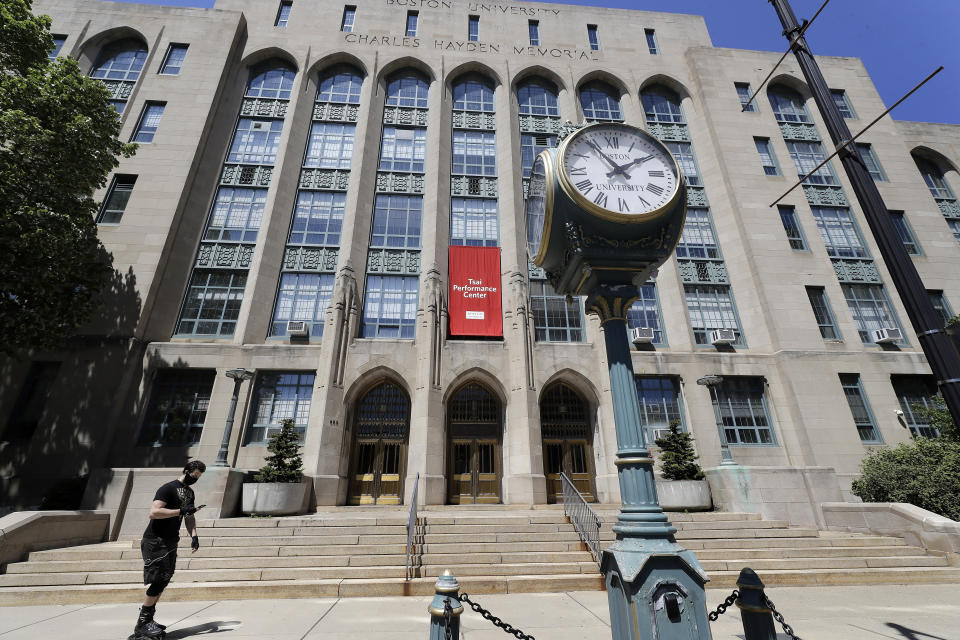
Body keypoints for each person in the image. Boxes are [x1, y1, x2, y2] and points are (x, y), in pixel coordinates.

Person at [131, 461, 206, 640]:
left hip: (171, 540)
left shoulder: (189, 492)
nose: (195, 479)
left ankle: (148, 619)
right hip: (155, 541)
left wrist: (194, 536)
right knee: (158, 580)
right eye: (194, 475)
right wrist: (180, 510)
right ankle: (142, 623)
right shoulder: (168, 488)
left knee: (165, 579)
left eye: (198, 477)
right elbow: (154, 512)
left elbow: (189, 516)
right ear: (186, 471)